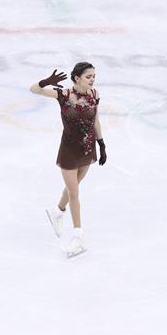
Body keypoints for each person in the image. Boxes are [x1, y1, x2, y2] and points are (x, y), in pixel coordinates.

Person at [29, 62, 107, 258]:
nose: (92, 79)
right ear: (77, 78)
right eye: (88, 76)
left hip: (88, 148)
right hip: (69, 150)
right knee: (74, 192)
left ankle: (57, 211)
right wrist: (46, 81)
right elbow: (34, 90)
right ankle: (78, 235)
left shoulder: (94, 94)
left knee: (74, 185)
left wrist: (102, 144)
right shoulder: (64, 95)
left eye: (94, 76)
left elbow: (96, 120)